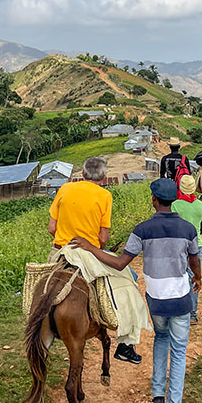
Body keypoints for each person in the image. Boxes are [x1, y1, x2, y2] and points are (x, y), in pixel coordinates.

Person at [70, 178, 201, 403]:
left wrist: (89, 248)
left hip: (156, 300)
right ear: (174, 200)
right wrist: (199, 277)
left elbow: (119, 263)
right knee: (179, 352)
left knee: (161, 339)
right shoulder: (187, 229)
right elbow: (194, 260)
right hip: (181, 299)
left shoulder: (142, 230)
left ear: (154, 200)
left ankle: (157, 398)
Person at [49, 156, 142, 364]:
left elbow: (52, 229)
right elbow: (102, 239)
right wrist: (94, 247)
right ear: (104, 176)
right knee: (131, 279)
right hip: (87, 253)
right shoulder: (105, 195)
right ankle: (126, 344)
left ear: (82, 174)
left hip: (61, 252)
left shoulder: (64, 189)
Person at [171, 174, 202, 324]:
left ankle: (178, 310)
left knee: (178, 276)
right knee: (194, 277)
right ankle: (192, 314)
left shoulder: (175, 205)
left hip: (179, 245)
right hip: (196, 244)